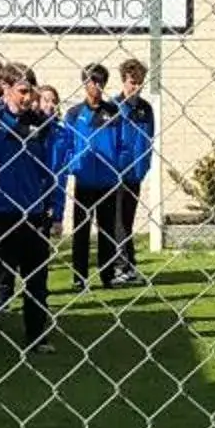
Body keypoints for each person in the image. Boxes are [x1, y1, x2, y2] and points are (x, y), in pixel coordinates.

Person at [0, 66, 62, 352]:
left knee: (37, 280)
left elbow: (49, 169)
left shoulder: (40, 125)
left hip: (31, 214)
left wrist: (51, 206)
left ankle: (35, 336)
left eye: (30, 90)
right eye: (21, 90)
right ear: (5, 89)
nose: (28, 96)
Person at [63, 64, 143, 291]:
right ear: (84, 83)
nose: (96, 87)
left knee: (107, 230)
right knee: (81, 230)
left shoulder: (114, 112)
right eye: (91, 82)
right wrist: (74, 166)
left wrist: (117, 167)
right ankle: (80, 277)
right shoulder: (75, 113)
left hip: (108, 182)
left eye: (100, 82)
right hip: (85, 181)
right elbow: (68, 144)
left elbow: (122, 145)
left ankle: (108, 275)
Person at [115, 58, 158, 284]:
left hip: (135, 173)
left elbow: (149, 139)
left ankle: (128, 266)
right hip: (116, 173)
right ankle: (122, 266)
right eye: (132, 82)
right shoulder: (113, 107)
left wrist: (145, 165)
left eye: (140, 82)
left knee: (127, 221)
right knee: (118, 221)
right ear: (124, 81)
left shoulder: (146, 109)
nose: (136, 87)